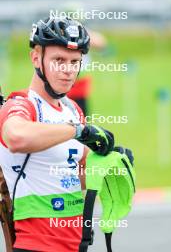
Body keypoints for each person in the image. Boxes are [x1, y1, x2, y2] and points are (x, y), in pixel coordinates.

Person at [0, 16, 114, 252]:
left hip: (76, 244)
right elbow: (16, 138)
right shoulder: (21, 105)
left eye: (74, 62)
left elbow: (76, 175)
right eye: (59, 60)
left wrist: (110, 164)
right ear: (36, 58)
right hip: (35, 245)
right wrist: (77, 131)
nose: (68, 70)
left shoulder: (72, 109)